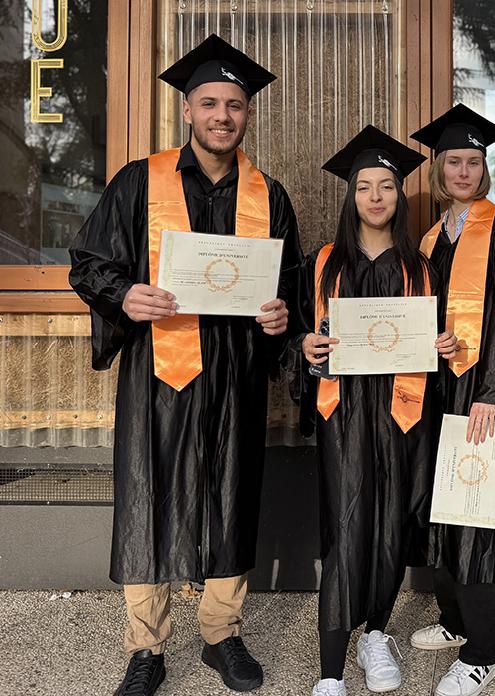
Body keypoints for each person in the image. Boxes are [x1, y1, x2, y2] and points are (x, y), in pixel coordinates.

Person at [68, 34, 302, 696]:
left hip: (235, 374)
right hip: (158, 373)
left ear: (247, 114)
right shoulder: (141, 181)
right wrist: (124, 293)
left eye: (233, 104)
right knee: (150, 498)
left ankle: (221, 633)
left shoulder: (270, 195)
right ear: (188, 112)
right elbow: (89, 264)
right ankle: (147, 647)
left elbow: (291, 290)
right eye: (210, 103)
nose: (222, 115)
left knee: (230, 498)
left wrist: (283, 318)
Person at [283, 125, 457, 696]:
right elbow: (296, 343)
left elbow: (439, 341)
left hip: (405, 417)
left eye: (387, 186)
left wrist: (443, 347)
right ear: (350, 195)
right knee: (346, 529)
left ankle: (375, 633)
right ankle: (331, 665)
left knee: (390, 527)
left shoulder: (422, 267)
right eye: (365, 186)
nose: (376, 196)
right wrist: (305, 349)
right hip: (346, 418)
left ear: (399, 196)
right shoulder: (322, 264)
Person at [407, 103, 495, 696]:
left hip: (480, 391)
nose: (463, 171)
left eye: (473, 162)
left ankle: (484, 652)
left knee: (475, 515)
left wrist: (491, 393)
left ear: (484, 170)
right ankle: (455, 621)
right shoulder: (431, 234)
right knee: (438, 509)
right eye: (452, 162)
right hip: (435, 388)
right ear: (439, 170)